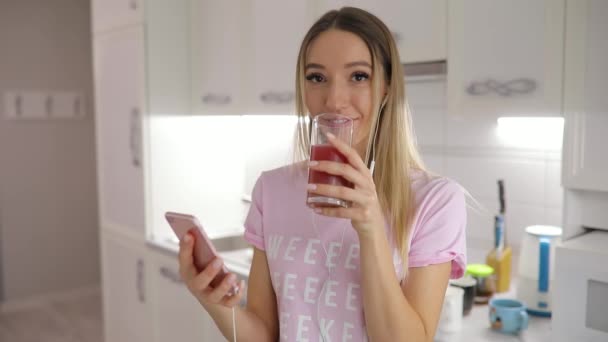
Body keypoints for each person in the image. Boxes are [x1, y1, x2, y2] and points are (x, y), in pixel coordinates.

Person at [178, 7, 466, 341]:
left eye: (359, 76)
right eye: (317, 78)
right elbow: (265, 335)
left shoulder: (436, 201)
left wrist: (371, 228)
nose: (334, 100)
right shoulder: (271, 191)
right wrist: (212, 300)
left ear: (386, 86)